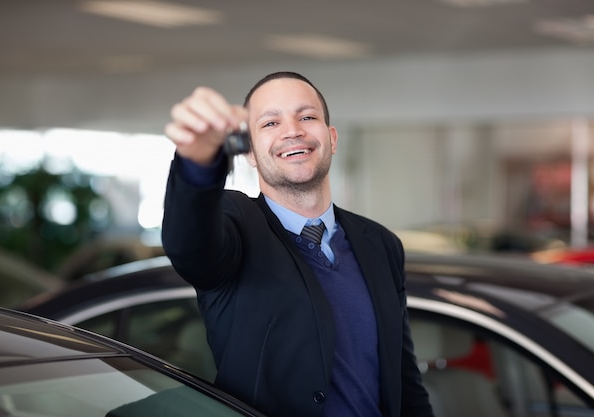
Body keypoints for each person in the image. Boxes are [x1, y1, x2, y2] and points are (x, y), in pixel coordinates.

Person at [161, 71, 434, 417]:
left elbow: (404, 381)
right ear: (249, 153)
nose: (292, 131)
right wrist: (198, 163)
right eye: (270, 123)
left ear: (332, 139)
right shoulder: (237, 227)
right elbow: (190, 245)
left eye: (307, 117)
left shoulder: (381, 244)